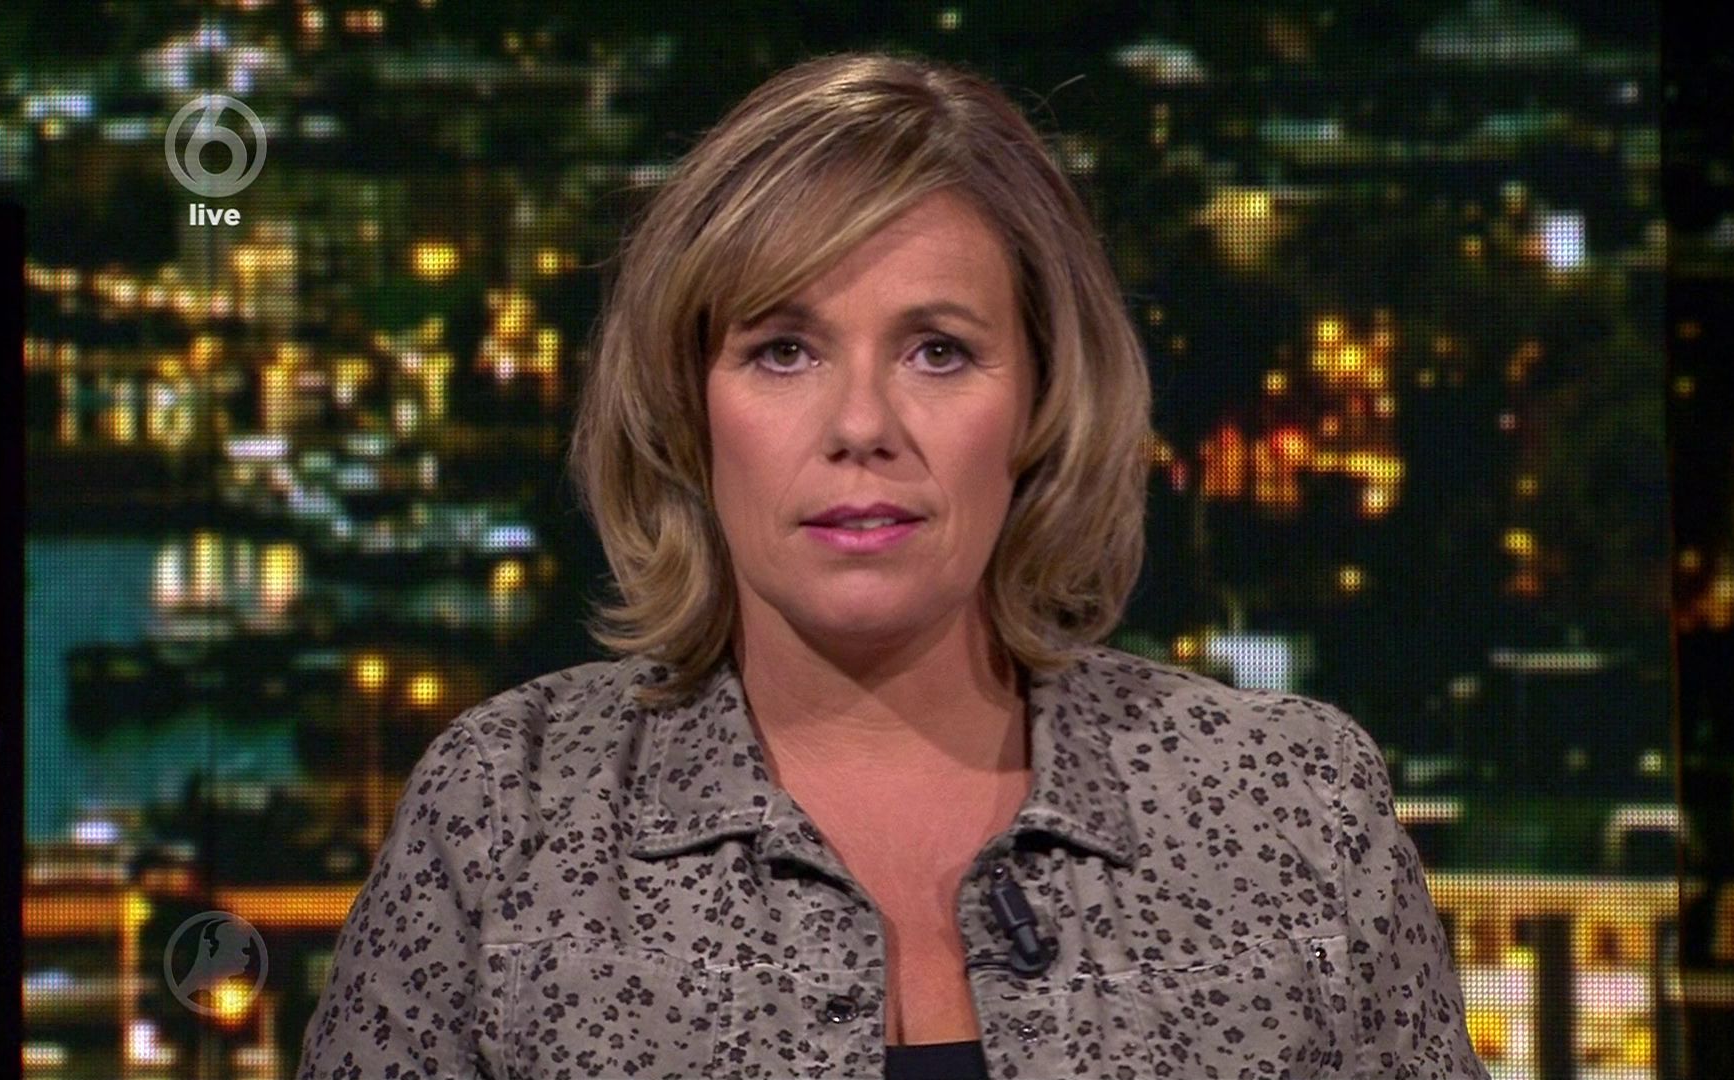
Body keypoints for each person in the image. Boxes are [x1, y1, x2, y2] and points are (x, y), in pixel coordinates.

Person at [297, 50, 1487, 1080]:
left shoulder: (1288, 811)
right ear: (686, 407)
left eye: (937, 351)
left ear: (1041, 404)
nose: (861, 424)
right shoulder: (507, 820)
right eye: (783, 351)